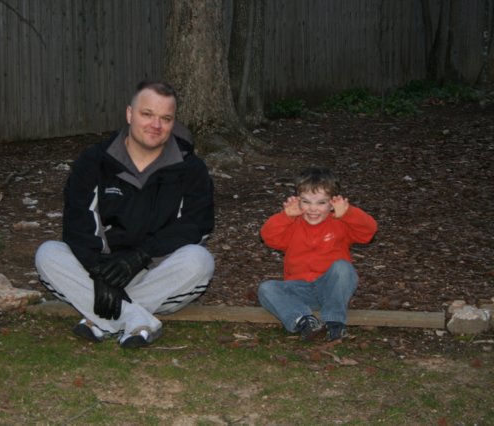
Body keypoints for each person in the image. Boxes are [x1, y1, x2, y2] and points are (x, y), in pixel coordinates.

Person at [35, 80, 215, 348]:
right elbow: (78, 224)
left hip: (156, 274)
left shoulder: (190, 168)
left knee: (200, 260)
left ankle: (100, 317)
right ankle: (136, 318)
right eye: (147, 114)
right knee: (48, 254)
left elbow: (197, 225)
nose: (156, 125)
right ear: (130, 114)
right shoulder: (94, 160)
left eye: (166, 118)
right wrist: (99, 272)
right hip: (100, 272)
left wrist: (139, 257)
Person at [257, 167, 377, 342]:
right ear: (298, 201)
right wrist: (286, 216)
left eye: (321, 203)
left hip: (331, 289)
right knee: (267, 289)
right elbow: (268, 237)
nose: (313, 209)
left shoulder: (341, 223)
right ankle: (305, 321)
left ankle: (334, 323)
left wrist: (349, 213)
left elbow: (368, 232)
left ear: (332, 203)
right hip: (300, 290)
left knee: (343, 267)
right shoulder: (291, 224)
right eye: (306, 202)